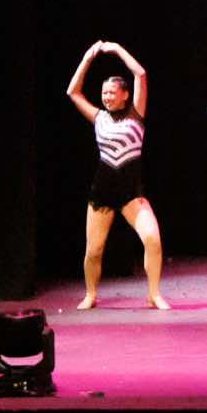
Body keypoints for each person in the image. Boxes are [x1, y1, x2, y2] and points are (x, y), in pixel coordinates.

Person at [65, 41, 168, 310]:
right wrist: (87, 59)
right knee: (93, 250)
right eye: (104, 93)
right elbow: (73, 92)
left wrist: (115, 49)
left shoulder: (136, 115)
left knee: (152, 239)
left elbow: (140, 74)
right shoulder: (98, 117)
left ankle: (154, 294)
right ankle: (90, 294)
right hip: (102, 192)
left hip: (131, 194)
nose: (107, 97)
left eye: (112, 92)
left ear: (125, 95)